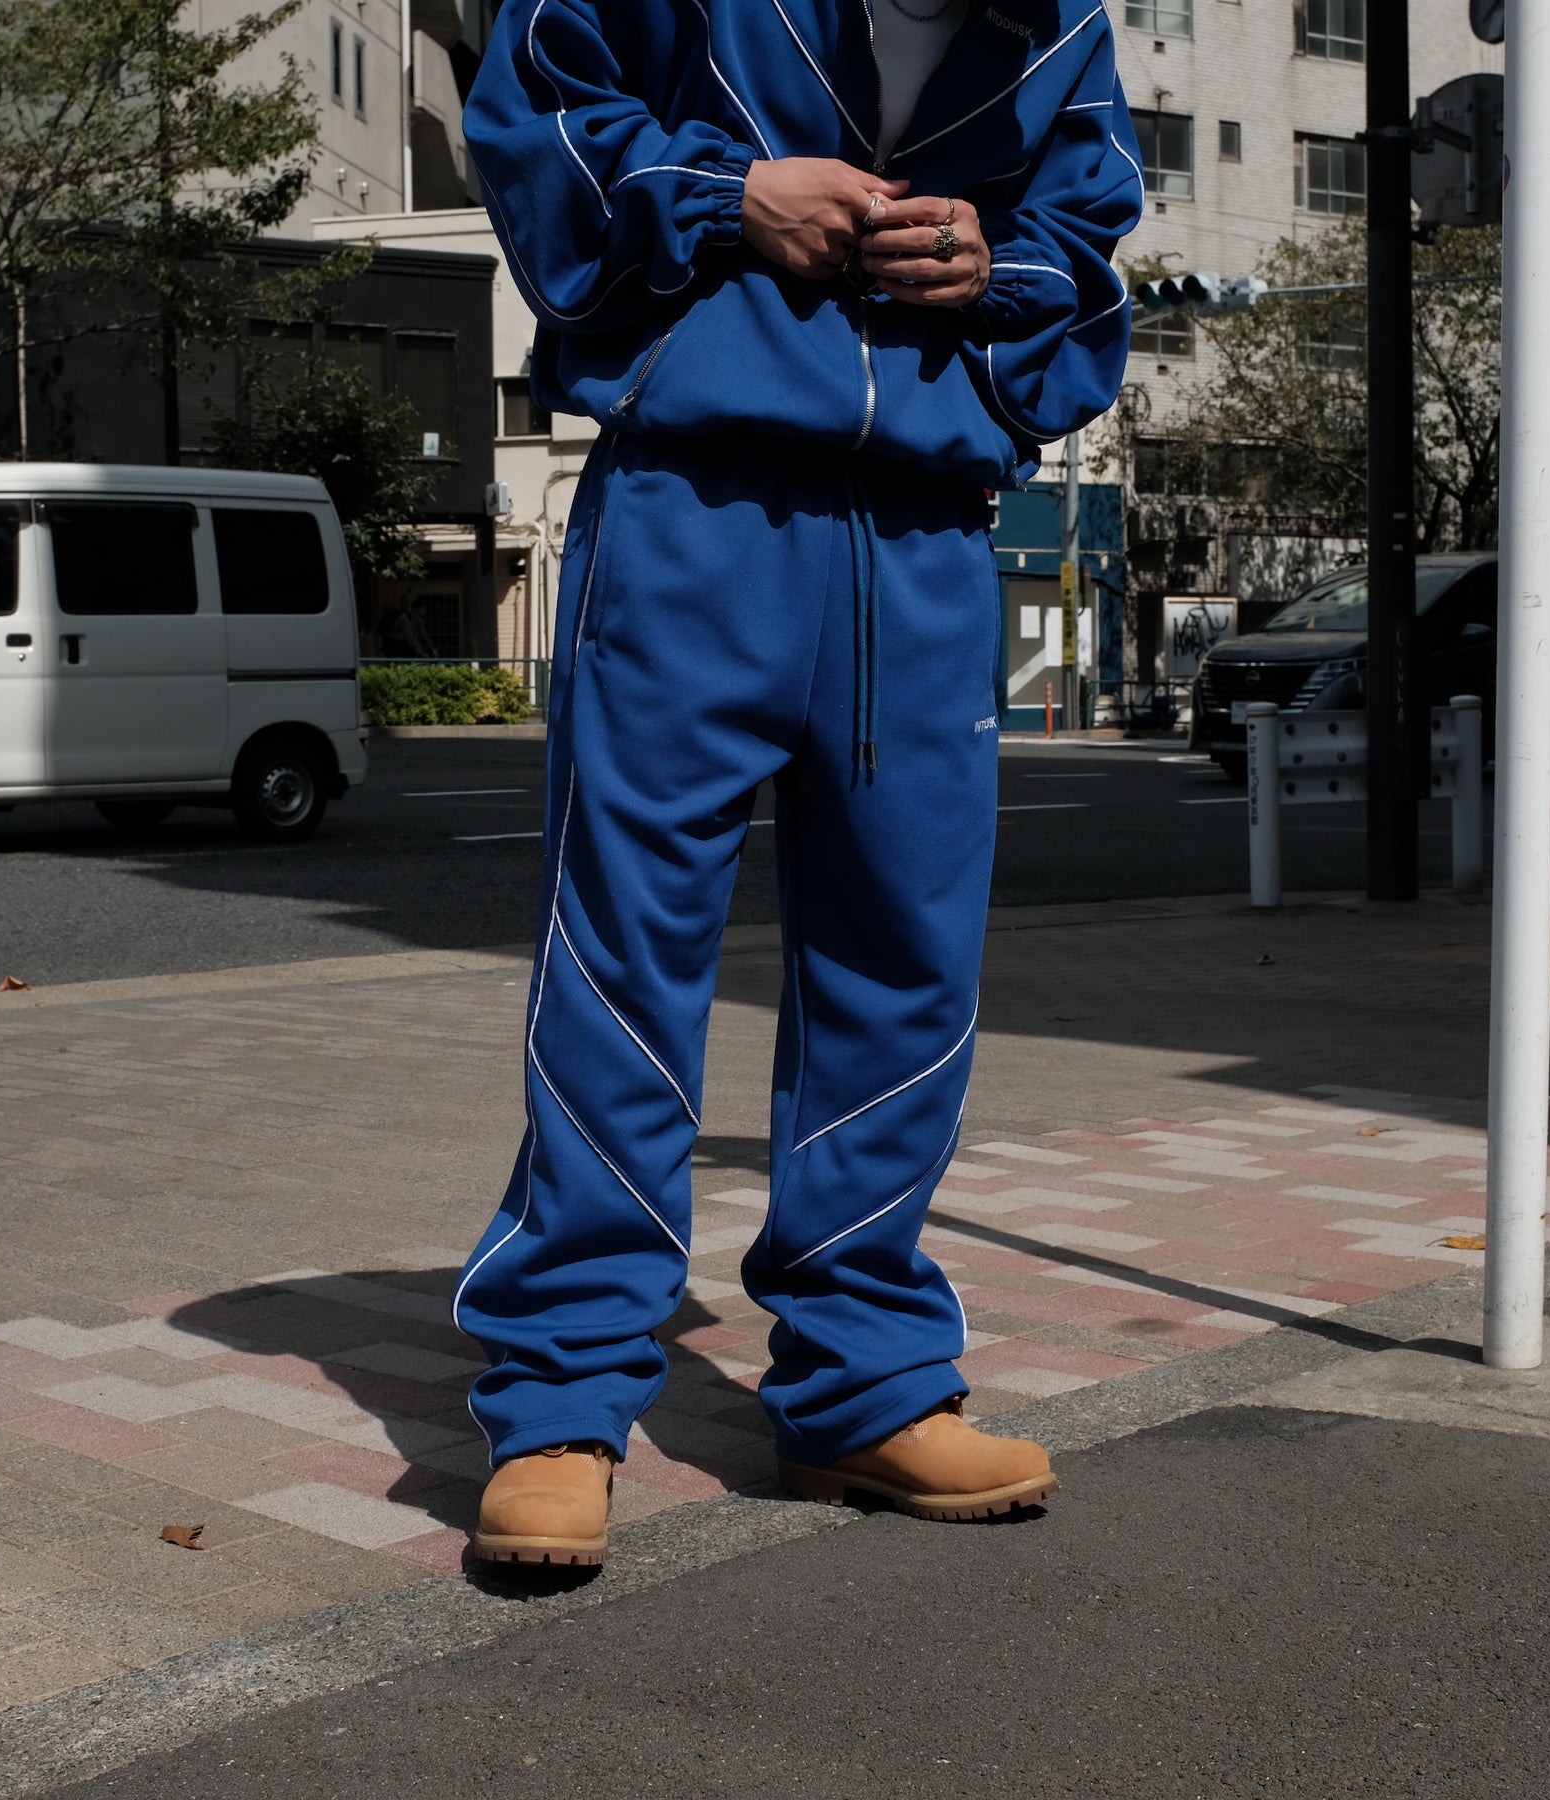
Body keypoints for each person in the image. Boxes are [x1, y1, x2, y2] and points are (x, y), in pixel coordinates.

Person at [453, 0, 1142, 1566]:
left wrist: (996, 265)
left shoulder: (1060, 25)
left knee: (908, 963)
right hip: (697, 498)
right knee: (626, 952)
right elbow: (533, 106)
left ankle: (864, 1384)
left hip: (928, 527)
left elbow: (1093, 224)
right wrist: (724, 196)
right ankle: (562, 1397)